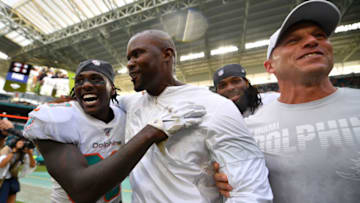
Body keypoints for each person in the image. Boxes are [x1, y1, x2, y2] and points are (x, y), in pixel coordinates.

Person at [213, 1, 360, 203]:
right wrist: (226, 181)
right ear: (270, 66)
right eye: (293, 40)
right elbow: (245, 184)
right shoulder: (248, 129)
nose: (311, 42)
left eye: (320, 36)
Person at [119, 29, 273, 202]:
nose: (130, 64)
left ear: (166, 55)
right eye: (128, 59)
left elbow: (250, 191)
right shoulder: (130, 104)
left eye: (137, 54)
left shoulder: (214, 106)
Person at [23, 59, 206, 203]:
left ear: (112, 89)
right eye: (79, 81)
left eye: (96, 79)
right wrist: (151, 131)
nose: (85, 85)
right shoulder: (57, 119)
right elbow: (82, 192)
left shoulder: (124, 116)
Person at [213, 64, 279, 117]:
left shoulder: (273, 101)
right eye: (222, 86)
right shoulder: (215, 118)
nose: (230, 88)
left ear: (247, 83)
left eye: (235, 81)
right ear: (217, 92)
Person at [0, 128, 36, 203]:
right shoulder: (7, 149)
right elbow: (2, 164)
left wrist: (29, 153)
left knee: (11, 199)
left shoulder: (24, 154)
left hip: (13, 179)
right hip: (3, 179)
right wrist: (14, 150)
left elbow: (32, 165)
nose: (23, 143)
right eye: (22, 141)